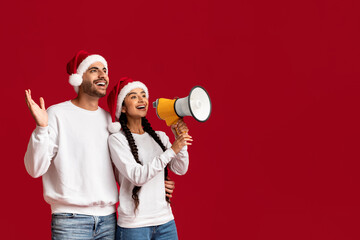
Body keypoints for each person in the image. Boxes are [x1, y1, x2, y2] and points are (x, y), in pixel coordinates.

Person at [24, 50, 175, 240]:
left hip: (109, 221)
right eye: (94, 70)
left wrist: (157, 185)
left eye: (105, 70)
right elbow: (34, 169)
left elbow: (125, 172)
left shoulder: (111, 122)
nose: (103, 75)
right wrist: (41, 128)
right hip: (70, 220)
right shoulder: (56, 115)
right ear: (78, 78)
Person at [106, 77, 192, 240]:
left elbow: (181, 168)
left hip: (165, 222)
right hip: (134, 227)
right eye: (133, 96)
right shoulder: (117, 140)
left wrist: (180, 138)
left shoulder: (160, 136)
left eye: (143, 94)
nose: (141, 99)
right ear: (122, 108)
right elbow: (137, 176)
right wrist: (173, 149)